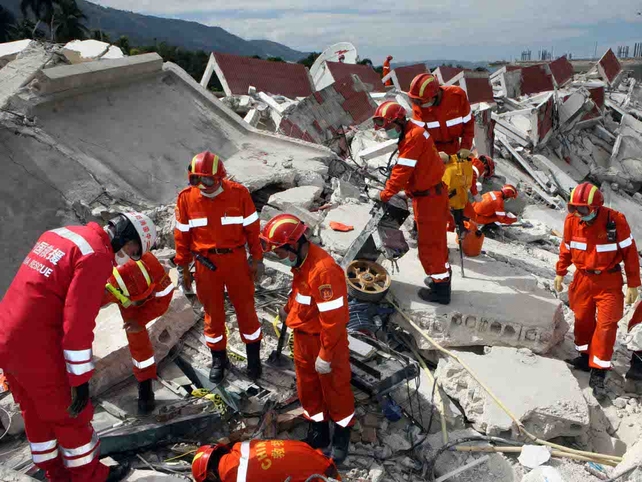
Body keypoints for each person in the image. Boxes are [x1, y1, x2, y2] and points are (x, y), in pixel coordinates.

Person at [0, 212, 156, 482]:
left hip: (6, 335)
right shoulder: (95, 256)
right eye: (134, 251)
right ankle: (90, 476)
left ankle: (56, 474)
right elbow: (78, 324)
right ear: (127, 237)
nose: (129, 257)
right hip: (35, 344)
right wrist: (80, 380)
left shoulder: (60, 234)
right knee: (70, 414)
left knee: (35, 412)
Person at [259, 214, 354, 464]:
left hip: (325, 341)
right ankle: (319, 431)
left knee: (336, 390)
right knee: (308, 389)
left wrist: (326, 353)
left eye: (279, 250)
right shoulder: (301, 265)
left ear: (293, 243)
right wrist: (288, 310)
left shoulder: (323, 271)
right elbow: (302, 298)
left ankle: (342, 435)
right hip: (302, 340)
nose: (277, 255)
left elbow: (334, 320)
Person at [174, 151, 264, 384]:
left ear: (220, 177)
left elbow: (253, 230)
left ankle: (254, 359)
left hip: (235, 261)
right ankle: (218, 359)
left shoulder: (239, 194)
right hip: (205, 265)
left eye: (207, 180)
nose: (202, 186)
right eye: (195, 180)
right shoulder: (186, 198)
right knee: (213, 315)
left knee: (246, 310)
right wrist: (183, 267)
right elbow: (181, 236)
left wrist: (257, 258)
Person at [554, 183, 640, 399]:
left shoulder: (615, 221)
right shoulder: (572, 221)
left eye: (582, 209)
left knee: (606, 325)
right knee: (582, 319)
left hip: (608, 281)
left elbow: (629, 253)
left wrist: (633, 283)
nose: (577, 213)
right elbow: (566, 247)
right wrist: (560, 271)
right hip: (582, 279)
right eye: (573, 207)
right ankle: (584, 356)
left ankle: (599, 371)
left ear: (596, 207)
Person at [368, 101, 452, 305]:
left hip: (429, 199)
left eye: (388, 127)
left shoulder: (412, 138)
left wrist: (385, 194)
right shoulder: (414, 131)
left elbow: (402, 171)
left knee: (430, 246)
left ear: (398, 121)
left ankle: (441, 290)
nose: (386, 131)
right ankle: (439, 278)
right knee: (436, 243)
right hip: (429, 195)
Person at [101, 252, 175, 414]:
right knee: (137, 338)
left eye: (142, 299)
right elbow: (80, 311)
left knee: (137, 334)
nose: (141, 304)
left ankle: (145, 386)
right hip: (120, 297)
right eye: (138, 300)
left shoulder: (152, 265)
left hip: (139, 292)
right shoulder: (104, 287)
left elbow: (164, 297)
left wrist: (140, 320)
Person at [191, 440, 341, 482]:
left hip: (321, 477)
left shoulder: (235, 478)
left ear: (211, 476)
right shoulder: (242, 446)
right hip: (319, 459)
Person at [407, 72, 474, 158]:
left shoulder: (457, 96)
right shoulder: (419, 104)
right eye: (416, 101)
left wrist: (465, 147)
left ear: (435, 95)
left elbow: (468, 124)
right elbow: (418, 136)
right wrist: (433, 153)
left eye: (422, 102)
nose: (419, 105)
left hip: (454, 147)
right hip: (433, 148)